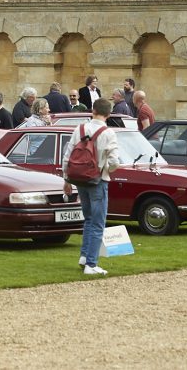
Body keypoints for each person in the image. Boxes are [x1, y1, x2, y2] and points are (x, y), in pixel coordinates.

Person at [62, 98, 119, 276]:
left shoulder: (79, 129)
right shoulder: (108, 133)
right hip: (97, 180)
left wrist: (66, 179)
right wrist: (105, 170)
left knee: (88, 219)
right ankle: (91, 264)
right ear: (108, 114)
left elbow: (67, 155)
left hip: (79, 179)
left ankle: (84, 256)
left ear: (92, 110)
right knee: (98, 223)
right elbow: (114, 161)